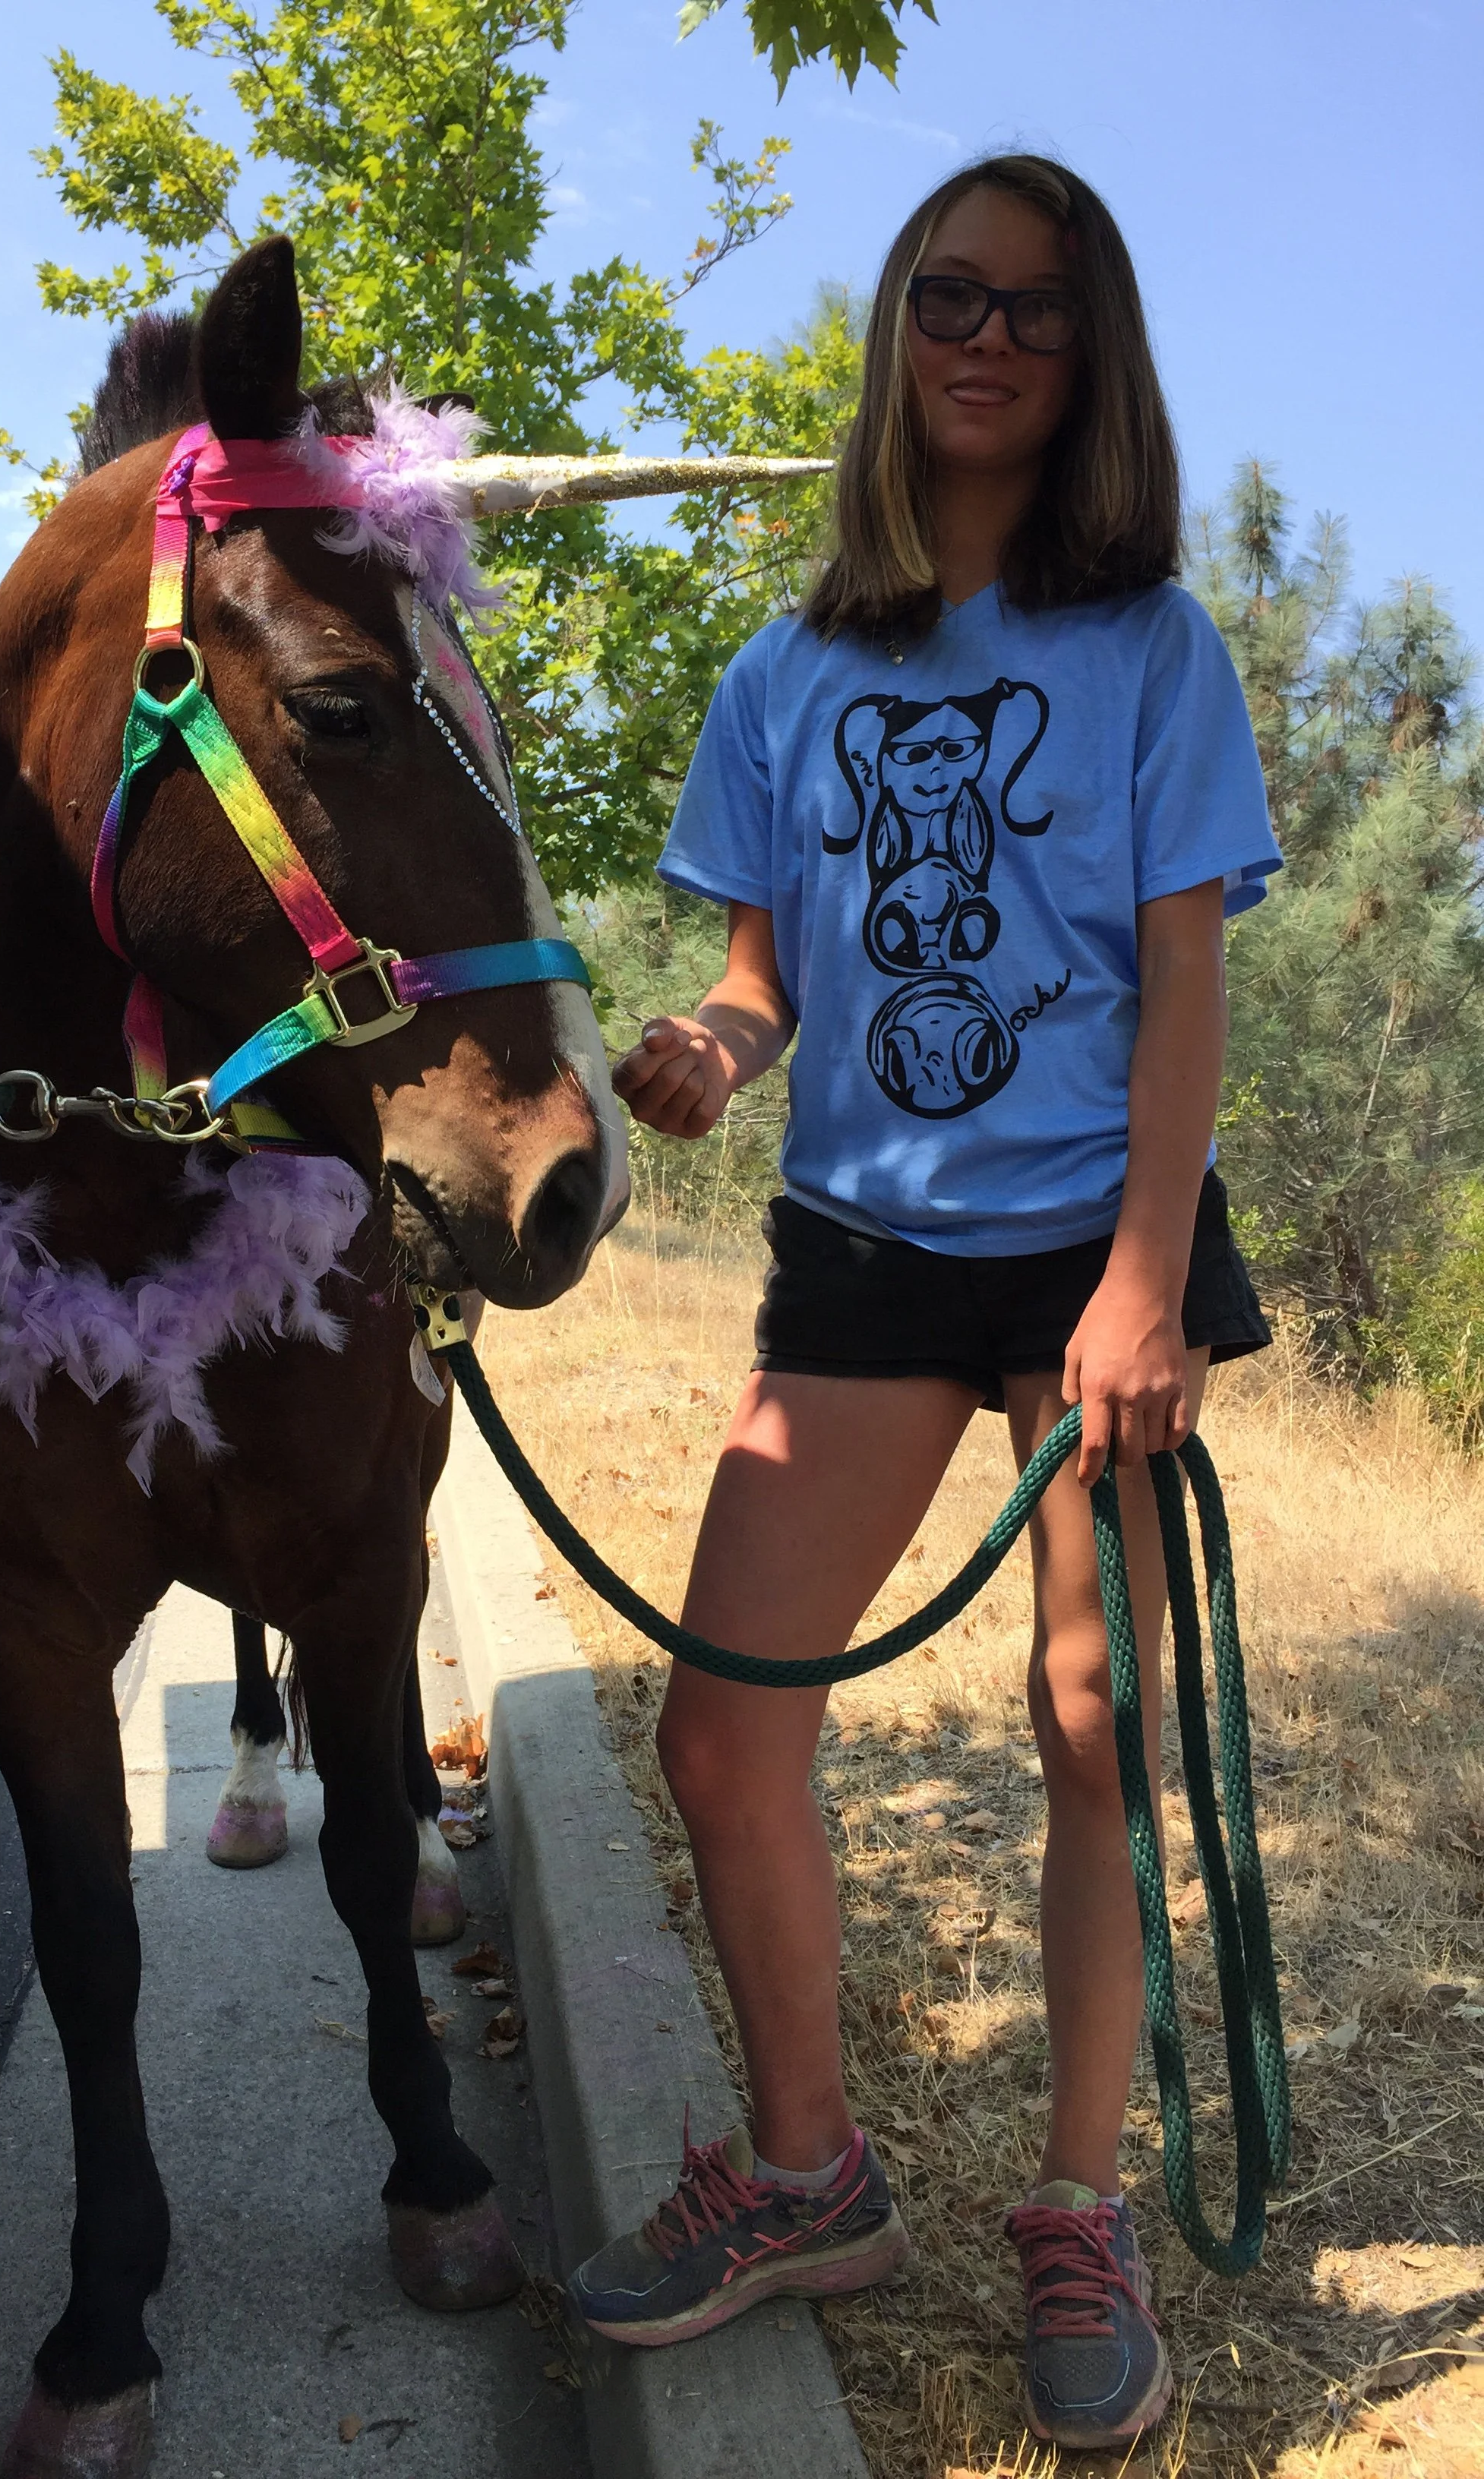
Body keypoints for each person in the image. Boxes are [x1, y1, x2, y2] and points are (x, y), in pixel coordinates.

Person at [567, 153, 1279, 2453]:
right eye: (950, 295)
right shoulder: (789, 671)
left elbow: (1184, 993)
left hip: (1100, 1248)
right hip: (865, 1247)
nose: (988, 336)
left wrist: (1148, 1285)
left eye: (1041, 311)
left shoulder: (1155, 647)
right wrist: (708, 1050)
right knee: (720, 1720)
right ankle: (809, 2173)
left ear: (1095, 364)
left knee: (1098, 1727)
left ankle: (1079, 2205)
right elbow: (766, 978)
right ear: (896, 331)